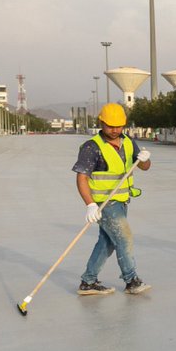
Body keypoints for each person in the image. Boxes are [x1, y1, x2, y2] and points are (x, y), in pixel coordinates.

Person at [73, 103, 152, 295]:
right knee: (124, 238)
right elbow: (81, 177)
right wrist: (90, 204)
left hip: (122, 201)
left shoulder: (128, 142)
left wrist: (144, 159)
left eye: (119, 126)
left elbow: (144, 167)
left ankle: (88, 281)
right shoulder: (92, 147)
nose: (115, 130)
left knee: (106, 242)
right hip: (104, 203)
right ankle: (131, 280)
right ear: (101, 122)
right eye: (110, 126)